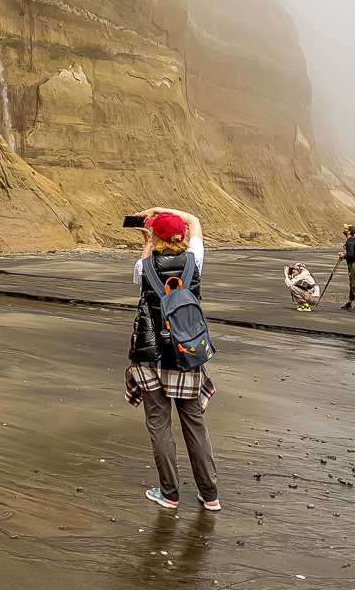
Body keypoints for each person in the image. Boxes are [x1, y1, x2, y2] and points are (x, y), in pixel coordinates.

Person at [124, 206, 220, 512]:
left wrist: (147, 240)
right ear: (182, 237)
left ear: (157, 237)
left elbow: (139, 279)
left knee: (159, 424)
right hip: (186, 354)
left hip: (151, 358)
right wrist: (164, 211)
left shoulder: (144, 267)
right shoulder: (195, 260)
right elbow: (196, 220)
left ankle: (169, 493)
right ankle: (210, 494)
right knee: (195, 425)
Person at [339, 224, 355, 312]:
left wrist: (343, 255)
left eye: (345, 228)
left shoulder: (350, 241)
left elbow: (350, 254)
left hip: (354, 265)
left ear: (349, 231)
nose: (344, 229)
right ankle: (349, 303)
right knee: (353, 283)